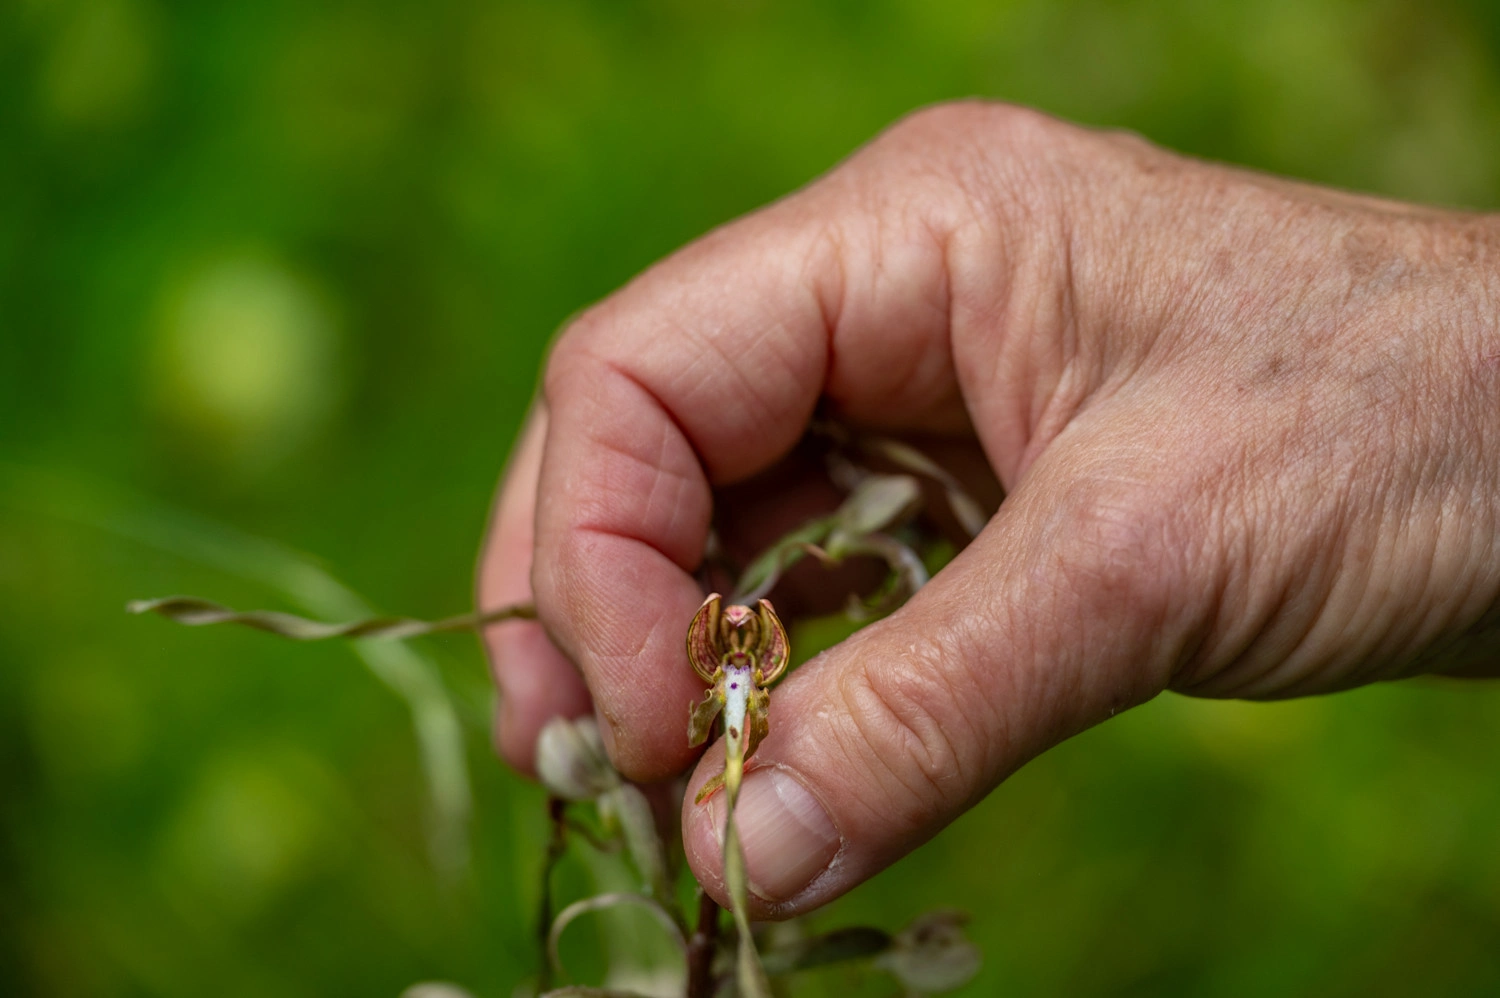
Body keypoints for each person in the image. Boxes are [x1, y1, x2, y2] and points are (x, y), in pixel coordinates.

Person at [477, 102, 1500, 919]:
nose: (741, 636)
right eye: (733, 635)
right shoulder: (721, 684)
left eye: (747, 633)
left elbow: (739, 704)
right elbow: (706, 709)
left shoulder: (754, 672)